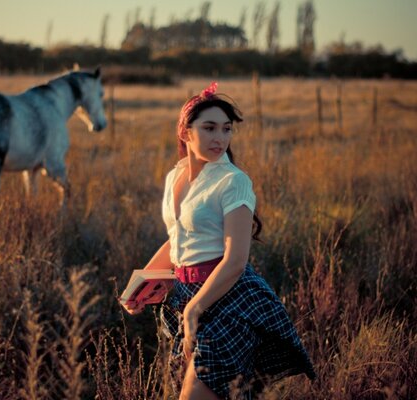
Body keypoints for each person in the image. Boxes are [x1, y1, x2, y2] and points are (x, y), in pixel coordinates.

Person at [124, 82, 315, 399]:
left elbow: (236, 261)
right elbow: (176, 241)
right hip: (185, 296)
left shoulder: (233, 181)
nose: (220, 138)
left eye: (226, 129)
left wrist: (194, 310)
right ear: (186, 132)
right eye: (209, 128)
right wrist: (142, 285)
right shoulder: (176, 175)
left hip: (229, 298)